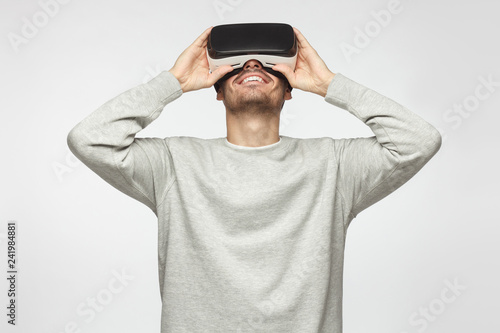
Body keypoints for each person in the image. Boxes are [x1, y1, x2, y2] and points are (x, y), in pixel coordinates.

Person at [67, 26, 442, 333]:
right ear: (216, 89)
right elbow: (89, 139)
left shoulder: (335, 166)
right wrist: (174, 81)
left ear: (290, 88)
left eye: (267, 62)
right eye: (238, 64)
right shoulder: (173, 163)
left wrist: (329, 83)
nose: (251, 63)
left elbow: (418, 141)